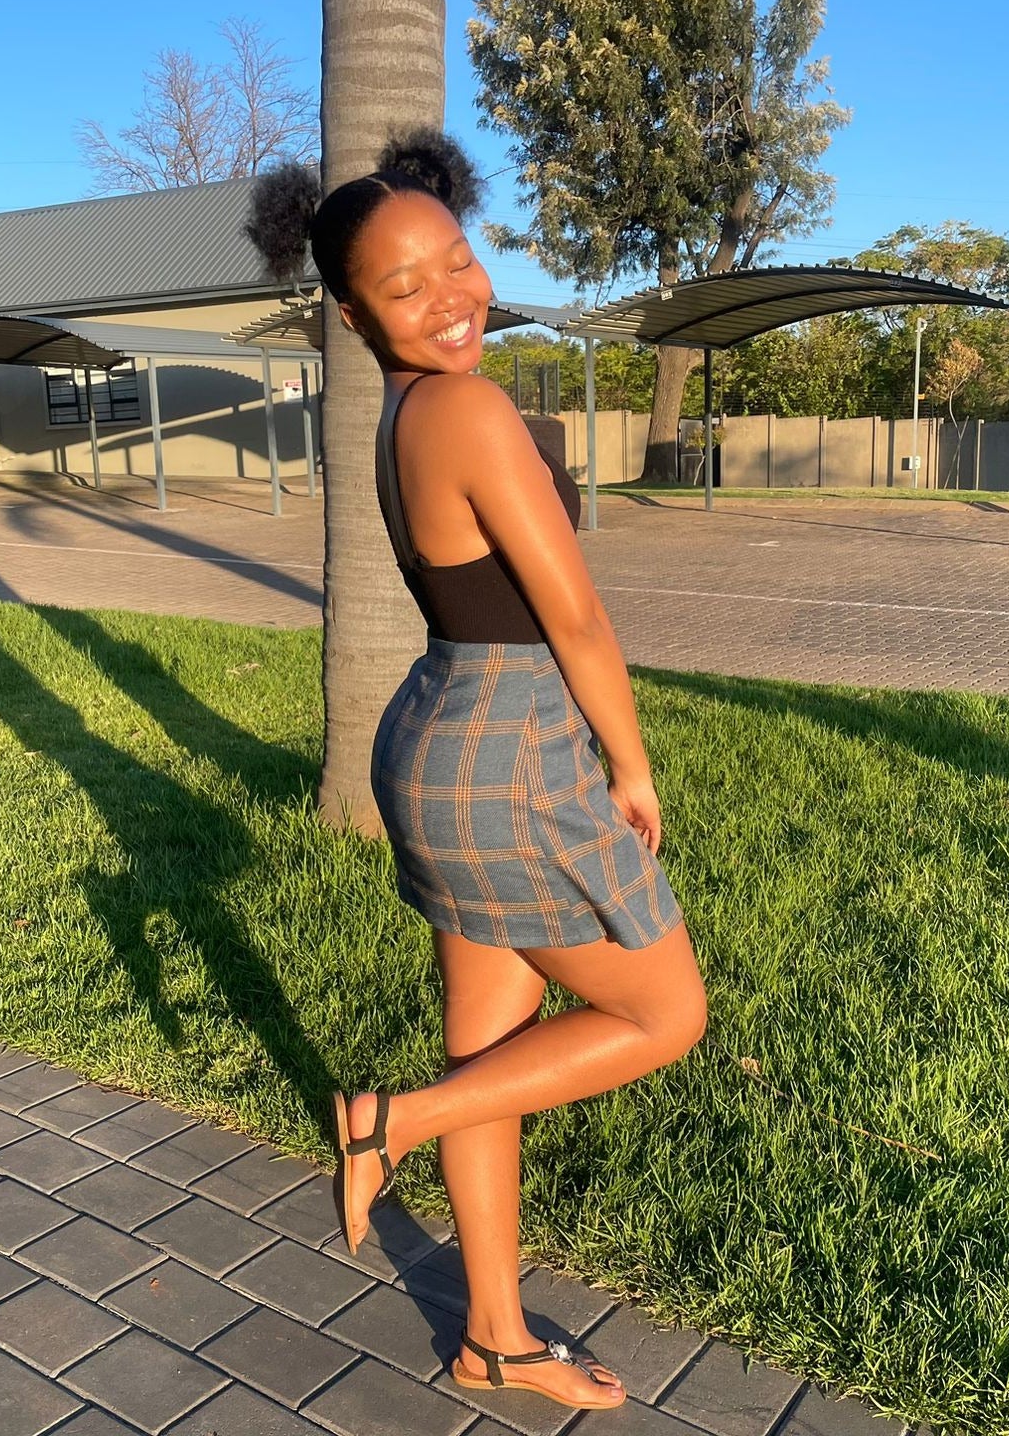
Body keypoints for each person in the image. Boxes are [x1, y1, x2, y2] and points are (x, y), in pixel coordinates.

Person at [247, 130, 708, 1413]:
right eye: (404, 286)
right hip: (509, 751)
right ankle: (384, 1122)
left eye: (454, 258)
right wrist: (631, 763)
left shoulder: (404, 411)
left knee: (486, 1058)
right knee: (664, 1014)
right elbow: (575, 617)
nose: (450, 296)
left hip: (441, 730)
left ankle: (493, 1338)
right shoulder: (466, 407)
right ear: (353, 315)